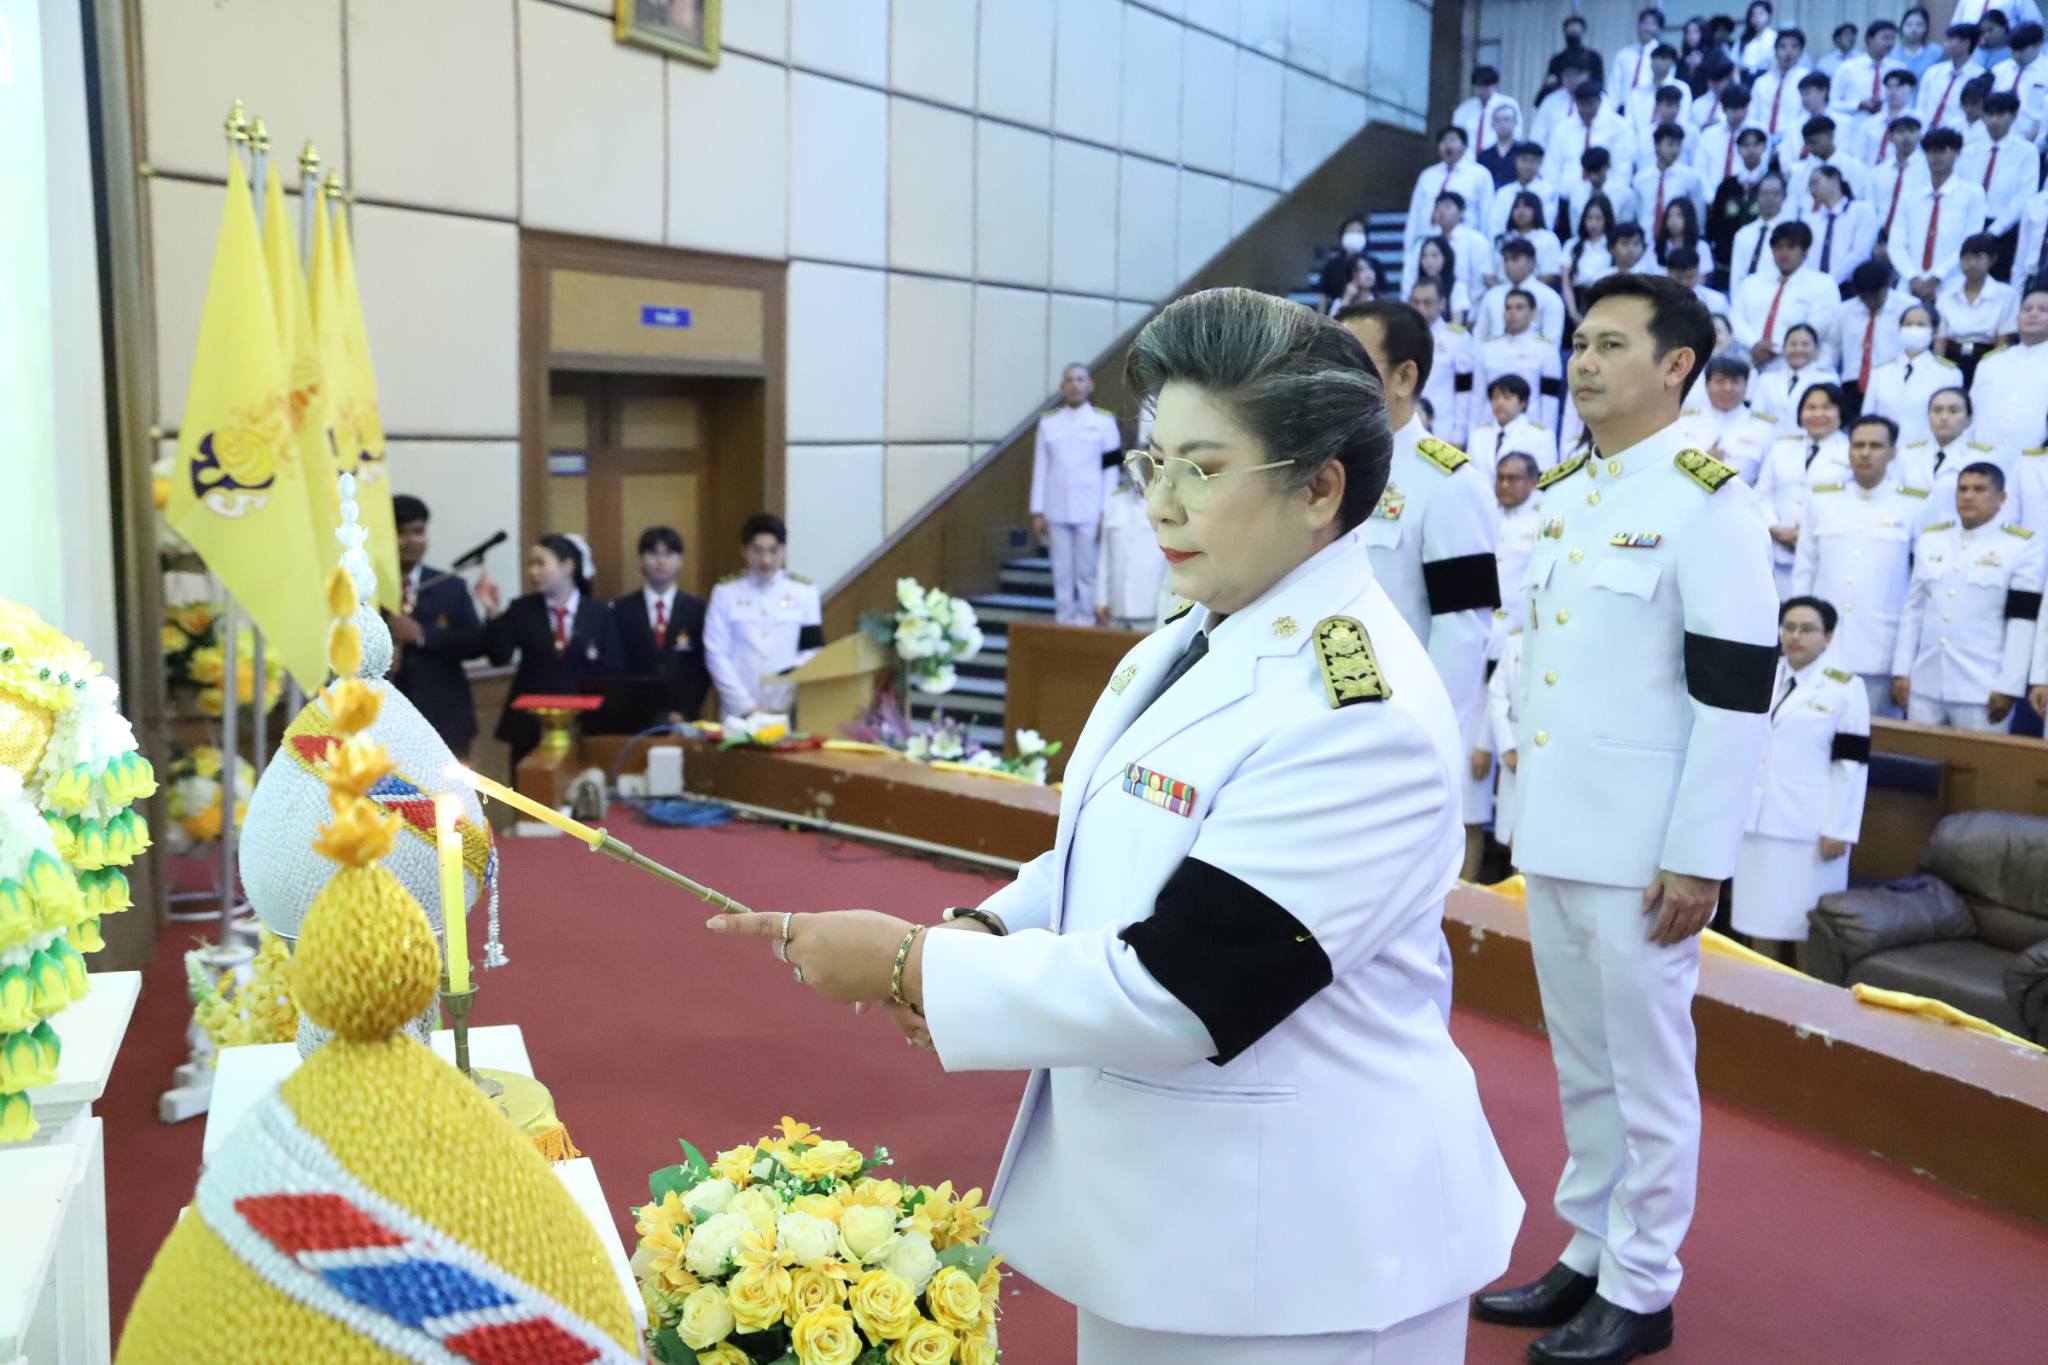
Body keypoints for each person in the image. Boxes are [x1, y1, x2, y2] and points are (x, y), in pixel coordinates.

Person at [710, 286, 1525, 1364]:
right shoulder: (1192, 635)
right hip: (1176, 1220)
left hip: (1299, 1260)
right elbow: (1109, 849)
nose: (1161, 505)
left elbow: (1187, 985)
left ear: (1319, 489)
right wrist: (984, 931)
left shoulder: (1354, 710)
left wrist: (908, 966)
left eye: (1203, 467)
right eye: (1153, 464)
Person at [1472, 272, 1776, 1363]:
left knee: (1647, 1072)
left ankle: (1643, 1285)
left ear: (1675, 367)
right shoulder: (1566, 494)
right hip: (1559, 832)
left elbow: (1736, 699)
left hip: (1645, 851)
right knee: (1581, 1062)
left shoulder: (1705, 504)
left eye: (1608, 345)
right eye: (1577, 344)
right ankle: (1590, 1248)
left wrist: (1696, 858)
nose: (1582, 363)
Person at [1732, 596, 1871, 964]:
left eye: (1807, 629)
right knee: (1757, 924)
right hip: (1757, 819)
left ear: (1827, 637)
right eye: (1789, 627)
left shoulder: (1845, 688)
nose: (1795, 635)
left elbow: (1850, 764)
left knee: (1804, 929)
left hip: (1809, 828)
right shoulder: (1763, 675)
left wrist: (1839, 827)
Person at [1894, 462, 2047, 730]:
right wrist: (1902, 671)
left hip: (1982, 688)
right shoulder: (1933, 540)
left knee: (1981, 769)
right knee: (1917, 764)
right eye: (1962, 489)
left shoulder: (2022, 547)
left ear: (2001, 498)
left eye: (1979, 489)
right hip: (1926, 682)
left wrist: (2009, 685)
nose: (1968, 496)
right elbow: (1913, 611)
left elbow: (2021, 621)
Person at [1792, 415, 1925, 716]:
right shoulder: (1822, 499)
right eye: (1859, 445)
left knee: (1878, 742)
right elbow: (1805, 572)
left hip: (1880, 648)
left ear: (1893, 453)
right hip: (1823, 646)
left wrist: (1904, 662)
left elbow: (1919, 588)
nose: (1866, 453)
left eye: (1876, 446)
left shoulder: (1915, 504)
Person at [475, 533, 624, 771]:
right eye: (530, 565)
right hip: (530, 726)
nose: (533, 572)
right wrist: (493, 612)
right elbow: (499, 656)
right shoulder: (523, 609)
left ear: (567, 566)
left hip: (583, 725)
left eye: (541, 563)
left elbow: (614, 668)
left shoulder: (600, 613)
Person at [384, 493, 482, 759]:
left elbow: (474, 643)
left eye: (418, 531)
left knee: (450, 800)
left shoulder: (449, 585)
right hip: (384, 723)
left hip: (445, 721)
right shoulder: (366, 586)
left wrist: (422, 635)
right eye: (402, 532)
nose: (411, 541)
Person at [701, 513, 822, 723]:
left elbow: (811, 651)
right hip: (737, 713)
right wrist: (745, 707)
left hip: (786, 710)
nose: (765, 560)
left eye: (773, 551)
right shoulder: (725, 593)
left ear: (783, 551)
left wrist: (782, 701)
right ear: (744, 551)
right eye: (757, 551)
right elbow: (716, 653)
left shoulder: (805, 592)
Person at [1030, 363, 1124, 625]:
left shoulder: (1104, 422)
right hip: (1056, 506)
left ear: (1090, 385)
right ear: (1062, 387)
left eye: (1080, 380)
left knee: (1086, 570)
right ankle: (1064, 618)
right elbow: (1041, 468)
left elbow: (1111, 470)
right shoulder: (1049, 423)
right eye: (1069, 380)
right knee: (1061, 570)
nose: (1075, 385)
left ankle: (1085, 621)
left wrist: (1108, 508)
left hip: (1090, 507)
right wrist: (1037, 510)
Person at [1757, 382, 1851, 595]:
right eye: (1811, 407)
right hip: (1776, 553)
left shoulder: (1851, 452)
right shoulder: (1781, 448)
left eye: (1827, 407)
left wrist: (1806, 534)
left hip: (1823, 555)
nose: (1818, 414)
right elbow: (1762, 495)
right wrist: (1775, 528)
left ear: (1840, 412)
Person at [612, 525, 711, 725]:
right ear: (641, 560)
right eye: (653, 554)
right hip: (633, 717)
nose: (660, 561)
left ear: (680, 561)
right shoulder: (620, 610)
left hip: (685, 717)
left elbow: (703, 667)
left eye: (668, 554)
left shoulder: (698, 609)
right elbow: (617, 667)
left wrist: (685, 711)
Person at [1731, 221, 1839, 370]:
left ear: (1805, 251)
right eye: (1779, 248)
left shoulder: (1823, 284)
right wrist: (1754, 343)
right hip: (1751, 362)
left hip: (1798, 366)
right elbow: (1737, 319)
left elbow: (1819, 325)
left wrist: (1776, 347)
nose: (1784, 253)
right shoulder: (1751, 283)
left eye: (1791, 247)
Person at [1959, 91, 2039, 275]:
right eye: (1989, 114)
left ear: (2013, 116)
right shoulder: (1970, 150)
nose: (1994, 121)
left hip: (2004, 230)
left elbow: (2025, 196)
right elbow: (1961, 188)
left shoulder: (2027, 151)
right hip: (1968, 224)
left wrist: (1995, 230)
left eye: (2001, 114)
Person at [1862, 303, 1955, 448]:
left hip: (1924, 453)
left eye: (1920, 325)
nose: (1913, 329)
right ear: (1900, 329)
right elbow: (1867, 417)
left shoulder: (1948, 374)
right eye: (1908, 324)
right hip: (1884, 451)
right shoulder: (1880, 372)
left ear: (1934, 331)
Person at [1968, 286, 2048, 453]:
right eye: (2027, 309)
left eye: (2043, 310)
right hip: (1984, 456)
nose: (2033, 314)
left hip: (2036, 460)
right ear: (2017, 318)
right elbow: (1971, 412)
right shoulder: (1991, 362)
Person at [1830, 258, 1910, 418]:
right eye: (1865, 297)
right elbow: (1833, 348)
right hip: (1853, 384)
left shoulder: (1907, 308)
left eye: (1876, 295)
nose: (1871, 301)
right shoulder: (1844, 311)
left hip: (1892, 383)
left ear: (1888, 285)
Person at [1938, 233, 2019, 386]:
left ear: (1992, 260)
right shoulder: (1946, 295)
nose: (1972, 263)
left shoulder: (2007, 295)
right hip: (1951, 357)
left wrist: (1995, 370)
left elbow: (2003, 341)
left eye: (1978, 257)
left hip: (1987, 356)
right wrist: (1939, 369)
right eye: (1966, 258)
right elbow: (1940, 340)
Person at [1094, 465, 1169, 630]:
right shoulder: (1114, 502)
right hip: (1116, 606)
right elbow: (1105, 556)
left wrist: (1165, 605)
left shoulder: (1164, 506)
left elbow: (1168, 562)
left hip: (1149, 606)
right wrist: (1101, 599)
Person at [1482, 290, 1567, 434]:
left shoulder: (1546, 349)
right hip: (1491, 427)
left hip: (1530, 429)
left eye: (1519, 307)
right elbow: (1478, 396)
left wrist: (1546, 433)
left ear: (1533, 313)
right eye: (1508, 308)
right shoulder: (1487, 348)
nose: (1512, 312)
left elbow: (1549, 400)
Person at [1680, 353, 1774, 483]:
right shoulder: (1684, 422)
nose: (1727, 388)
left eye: (1735, 382)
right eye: (1720, 381)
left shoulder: (1764, 428)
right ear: (1707, 386)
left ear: (1746, 386)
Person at [1405, 128, 1494, 254]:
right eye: (1443, 141)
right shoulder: (1427, 175)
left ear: (1464, 145)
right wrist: (1409, 248)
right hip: (1428, 242)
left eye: (1452, 139)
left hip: (1465, 245)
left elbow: (1486, 215)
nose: (1447, 144)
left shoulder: (1480, 174)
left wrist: (1486, 249)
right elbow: (1415, 213)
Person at [1492, 450, 1545, 661]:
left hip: (1519, 633)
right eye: (1500, 477)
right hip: (1484, 627)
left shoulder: (1544, 519)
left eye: (1513, 478)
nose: (1504, 484)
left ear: (1533, 481)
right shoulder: (1487, 512)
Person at [1543, 84, 1638, 198]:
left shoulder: (1620, 127)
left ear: (1599, 101)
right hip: (1565, 200)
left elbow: (1622, 170)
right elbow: (1551, 170)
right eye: (1581, 105)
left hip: (1606, 200)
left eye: (1590, 104)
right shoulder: (1562, 129)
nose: (1586, 110)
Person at [1752, 323, 1840, 440]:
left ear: (1816, 350)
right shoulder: (1766, 379)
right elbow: (1756, 415)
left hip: (1809, 443)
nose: (1799, 349)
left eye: (1805, 345)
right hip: (1769, 443)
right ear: (1783, 348)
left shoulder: (1827, 379)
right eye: (1793, 344)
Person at [1713, 151, 1781, 295]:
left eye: (1775, 193)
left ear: (1783, 197)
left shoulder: (1788, 233)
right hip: (1743, 297)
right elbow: (1736, 275)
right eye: (1765, 193)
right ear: (1757, 197)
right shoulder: (1744, 233)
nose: (1770, 198)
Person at [1477, 239, 1567, 344]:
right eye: (1506, 260)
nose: (1509, 265)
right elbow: (1479, 335)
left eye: (1515, 260)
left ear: (1532, 262)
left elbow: (1551, 342)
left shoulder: (1550, 298)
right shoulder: (1492, 296)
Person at [1799, 166, 1877, 288]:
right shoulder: (1810, 219)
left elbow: (1860, 253)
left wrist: (1830, 282)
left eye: (1815, 182)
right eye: (1809, 185)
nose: (1811, 189)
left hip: (1850, 286)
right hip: (1815, 288)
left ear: (1834, 180)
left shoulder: (1862, 210)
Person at [1470, 374, 1551, 473]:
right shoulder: (1478, 434)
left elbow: (1544, 477)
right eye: (1495, 397)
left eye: (1507, 397)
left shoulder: (1540, 435)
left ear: (1523, 402)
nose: (1500, 402)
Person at [1639, 128, 1706, 244]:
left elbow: (1699, 216)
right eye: (1670, 144)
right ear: (1657, 145)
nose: (1675, 150)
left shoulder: (1690, 178)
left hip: (1677, 244)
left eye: (1678, 145)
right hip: (1646, 241)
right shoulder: (1641, 180)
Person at [1919, 24, 1987, 133]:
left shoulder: (1980, 76)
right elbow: (1921, 106)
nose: (1945, 44)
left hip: (1957, 135)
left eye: (1950, 40)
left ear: (1966, 43)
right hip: (1926, 133)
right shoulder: (1933, 72)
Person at [1486, 143, 1561, 240]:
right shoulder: (1504, 192)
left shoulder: (1549, 191)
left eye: (1533, 161)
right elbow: (1495, 225)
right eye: (1524, 160)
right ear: (1516, 161)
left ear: (1540, 163)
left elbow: (1547, 223)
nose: (1528, 166)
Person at [1752, 28, 1812, 147]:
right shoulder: (1761, 82)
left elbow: (1806, 115)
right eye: (1783, 47)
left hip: (1794, 141)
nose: (1788, 52)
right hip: (1761, 143)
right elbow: (1753, 114)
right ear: (1775, 51)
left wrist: (1785, 139)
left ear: (1801, 52)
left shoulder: (1807, 79)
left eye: (1794, 47)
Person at [1832, 19, 1903, 116]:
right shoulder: (1848, 68)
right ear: (1870, 40)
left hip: (1888, 126)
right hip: (1856, 125)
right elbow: (1833, 103)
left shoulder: (1899, 68)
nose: (1890, 43)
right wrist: (1858, 105)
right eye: (1885, 38)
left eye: (1893, 38)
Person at [1491, 192, 1565, 285]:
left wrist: (1525, 289)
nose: (1521, 211)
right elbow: (1495, 273)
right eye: (1517, 207)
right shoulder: (1502, 238)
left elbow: (1550, 274)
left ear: (1536, 210)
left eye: (1526, 207)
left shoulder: (1548, 238)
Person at [1993, 22, 2048, 141]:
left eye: (2021, 50)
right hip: (1997, 137)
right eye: (2013, 50)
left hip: (2033, 140)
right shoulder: (1999, 70)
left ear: (2038, 44)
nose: (2016, 55)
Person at [1455, 65, 1521, 162]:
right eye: (1478, 86)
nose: (1482, 91)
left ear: (1495, 85)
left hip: (1498, 159)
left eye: (1486, 86)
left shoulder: (1508, 104)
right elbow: (1457, 138)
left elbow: (1516, 133)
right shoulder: (1463, 110)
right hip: (1467, 161)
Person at [1610, 7, 1670, 112]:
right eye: (1644, 22)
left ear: (1659, 30)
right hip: (1622, 109)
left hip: (1649, 108)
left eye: (1652, 24)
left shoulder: (1664, 56)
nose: (1646, 28)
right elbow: (1614, 87)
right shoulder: (1623, 54)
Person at [1857, 70, 1923, 164]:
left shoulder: (1920, 121)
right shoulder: (1869, 123)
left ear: (1911, 89)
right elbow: (1860, 156)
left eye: (1899, 86)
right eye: (1889, 87)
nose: (1893, 91)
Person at [1314, 217, 1373, 313]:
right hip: (1339, 311)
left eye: (1359, 231)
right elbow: (1323, 295)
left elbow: (1381, 293)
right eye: (1351, 231)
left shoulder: (1373, 262)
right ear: (1342, 235)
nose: (1354, 235)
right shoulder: (1332, 264)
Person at [1899, 5, 1940, 77]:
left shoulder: (1937, 52)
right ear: (1902, 27)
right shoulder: (1892, 52)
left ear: (1926, 27)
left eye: (1919, 25)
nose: (1914, 29)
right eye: (1909, 25)